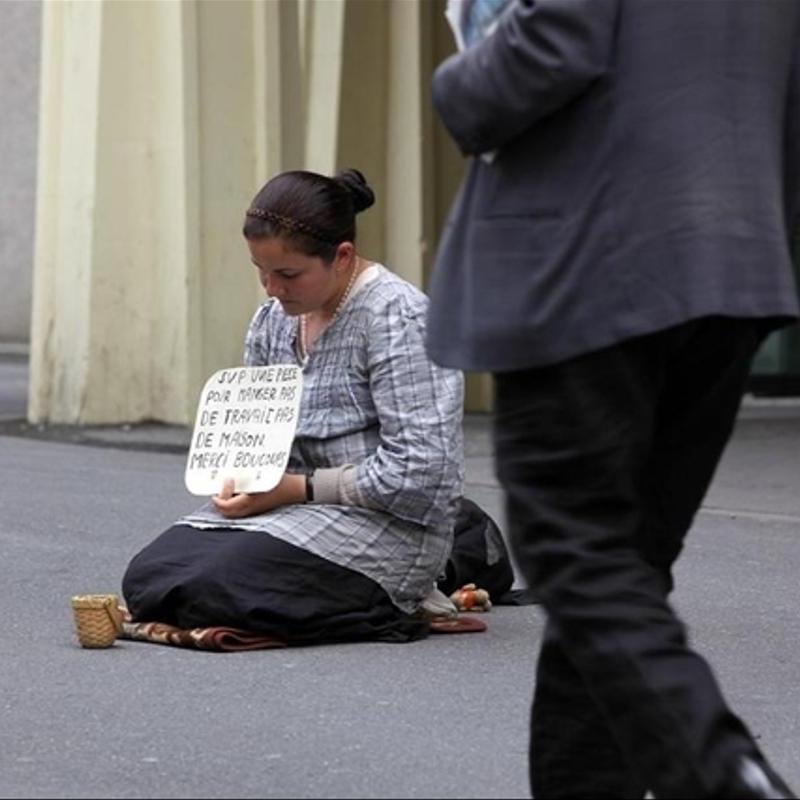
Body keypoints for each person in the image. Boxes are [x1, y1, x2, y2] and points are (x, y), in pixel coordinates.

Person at [426, 1, 800, 798]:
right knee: (621, 580)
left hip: (586, 253)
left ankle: (726, 774)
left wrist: (455, 85)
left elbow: (558, 36)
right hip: (732, 261)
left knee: (582, 560)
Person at [122, 168, 465, 645]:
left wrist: (296, 489)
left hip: (386, 526)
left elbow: (425, 473)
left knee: (217, 588)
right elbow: (258, 437)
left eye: (287, 274)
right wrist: (239, 479)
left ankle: (406, 595)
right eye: (260, 271)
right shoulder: (272, 321)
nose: (270, 288)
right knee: (151, 578)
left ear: (341, 256)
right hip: (285, 510)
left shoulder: (401, 319)